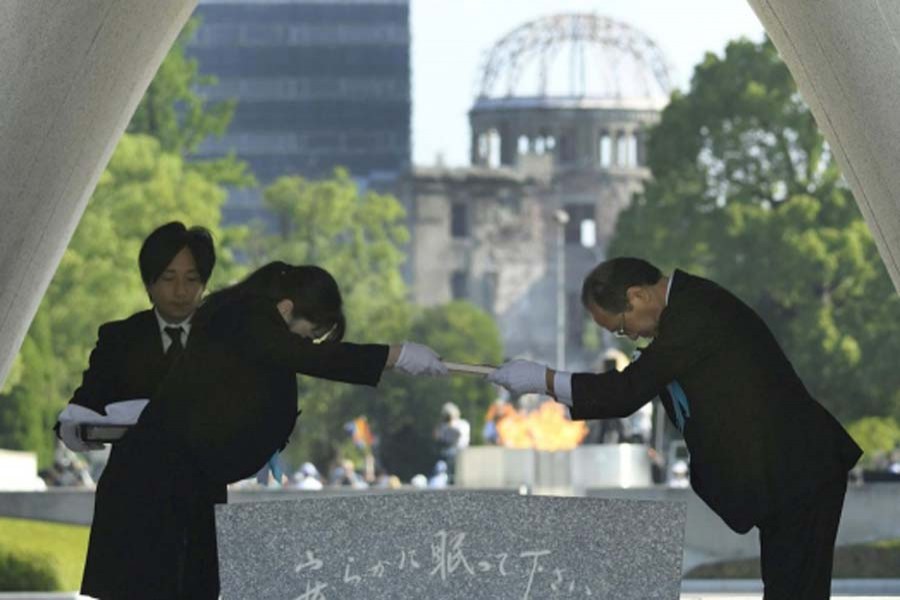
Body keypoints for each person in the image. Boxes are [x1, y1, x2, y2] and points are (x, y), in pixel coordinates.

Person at [488, 257, 862, 600]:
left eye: (620, 327)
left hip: (799, 470)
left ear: (637, 295)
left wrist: (545, 380)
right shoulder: (684, 314)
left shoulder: (694, 311)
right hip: (784, 476)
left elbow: (626, 393)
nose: (630, 337)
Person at [80, 261, 447, 600]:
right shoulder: (247, 317)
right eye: (309, 334)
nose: (308, 345)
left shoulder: (247, 325)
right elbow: (306, 358)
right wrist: (394, 355)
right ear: (286, 309)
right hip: (156, 485)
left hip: (187, 481)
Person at [58, 221, 216, 451]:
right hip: (130, 481)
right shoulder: (118, 339)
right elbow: (86, 405)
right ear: (148, 284)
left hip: (200, 481)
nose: (181, 291)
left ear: (204, 284)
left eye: (191, 279)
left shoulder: (222, 338)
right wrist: (73, 429)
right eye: (168, 278)